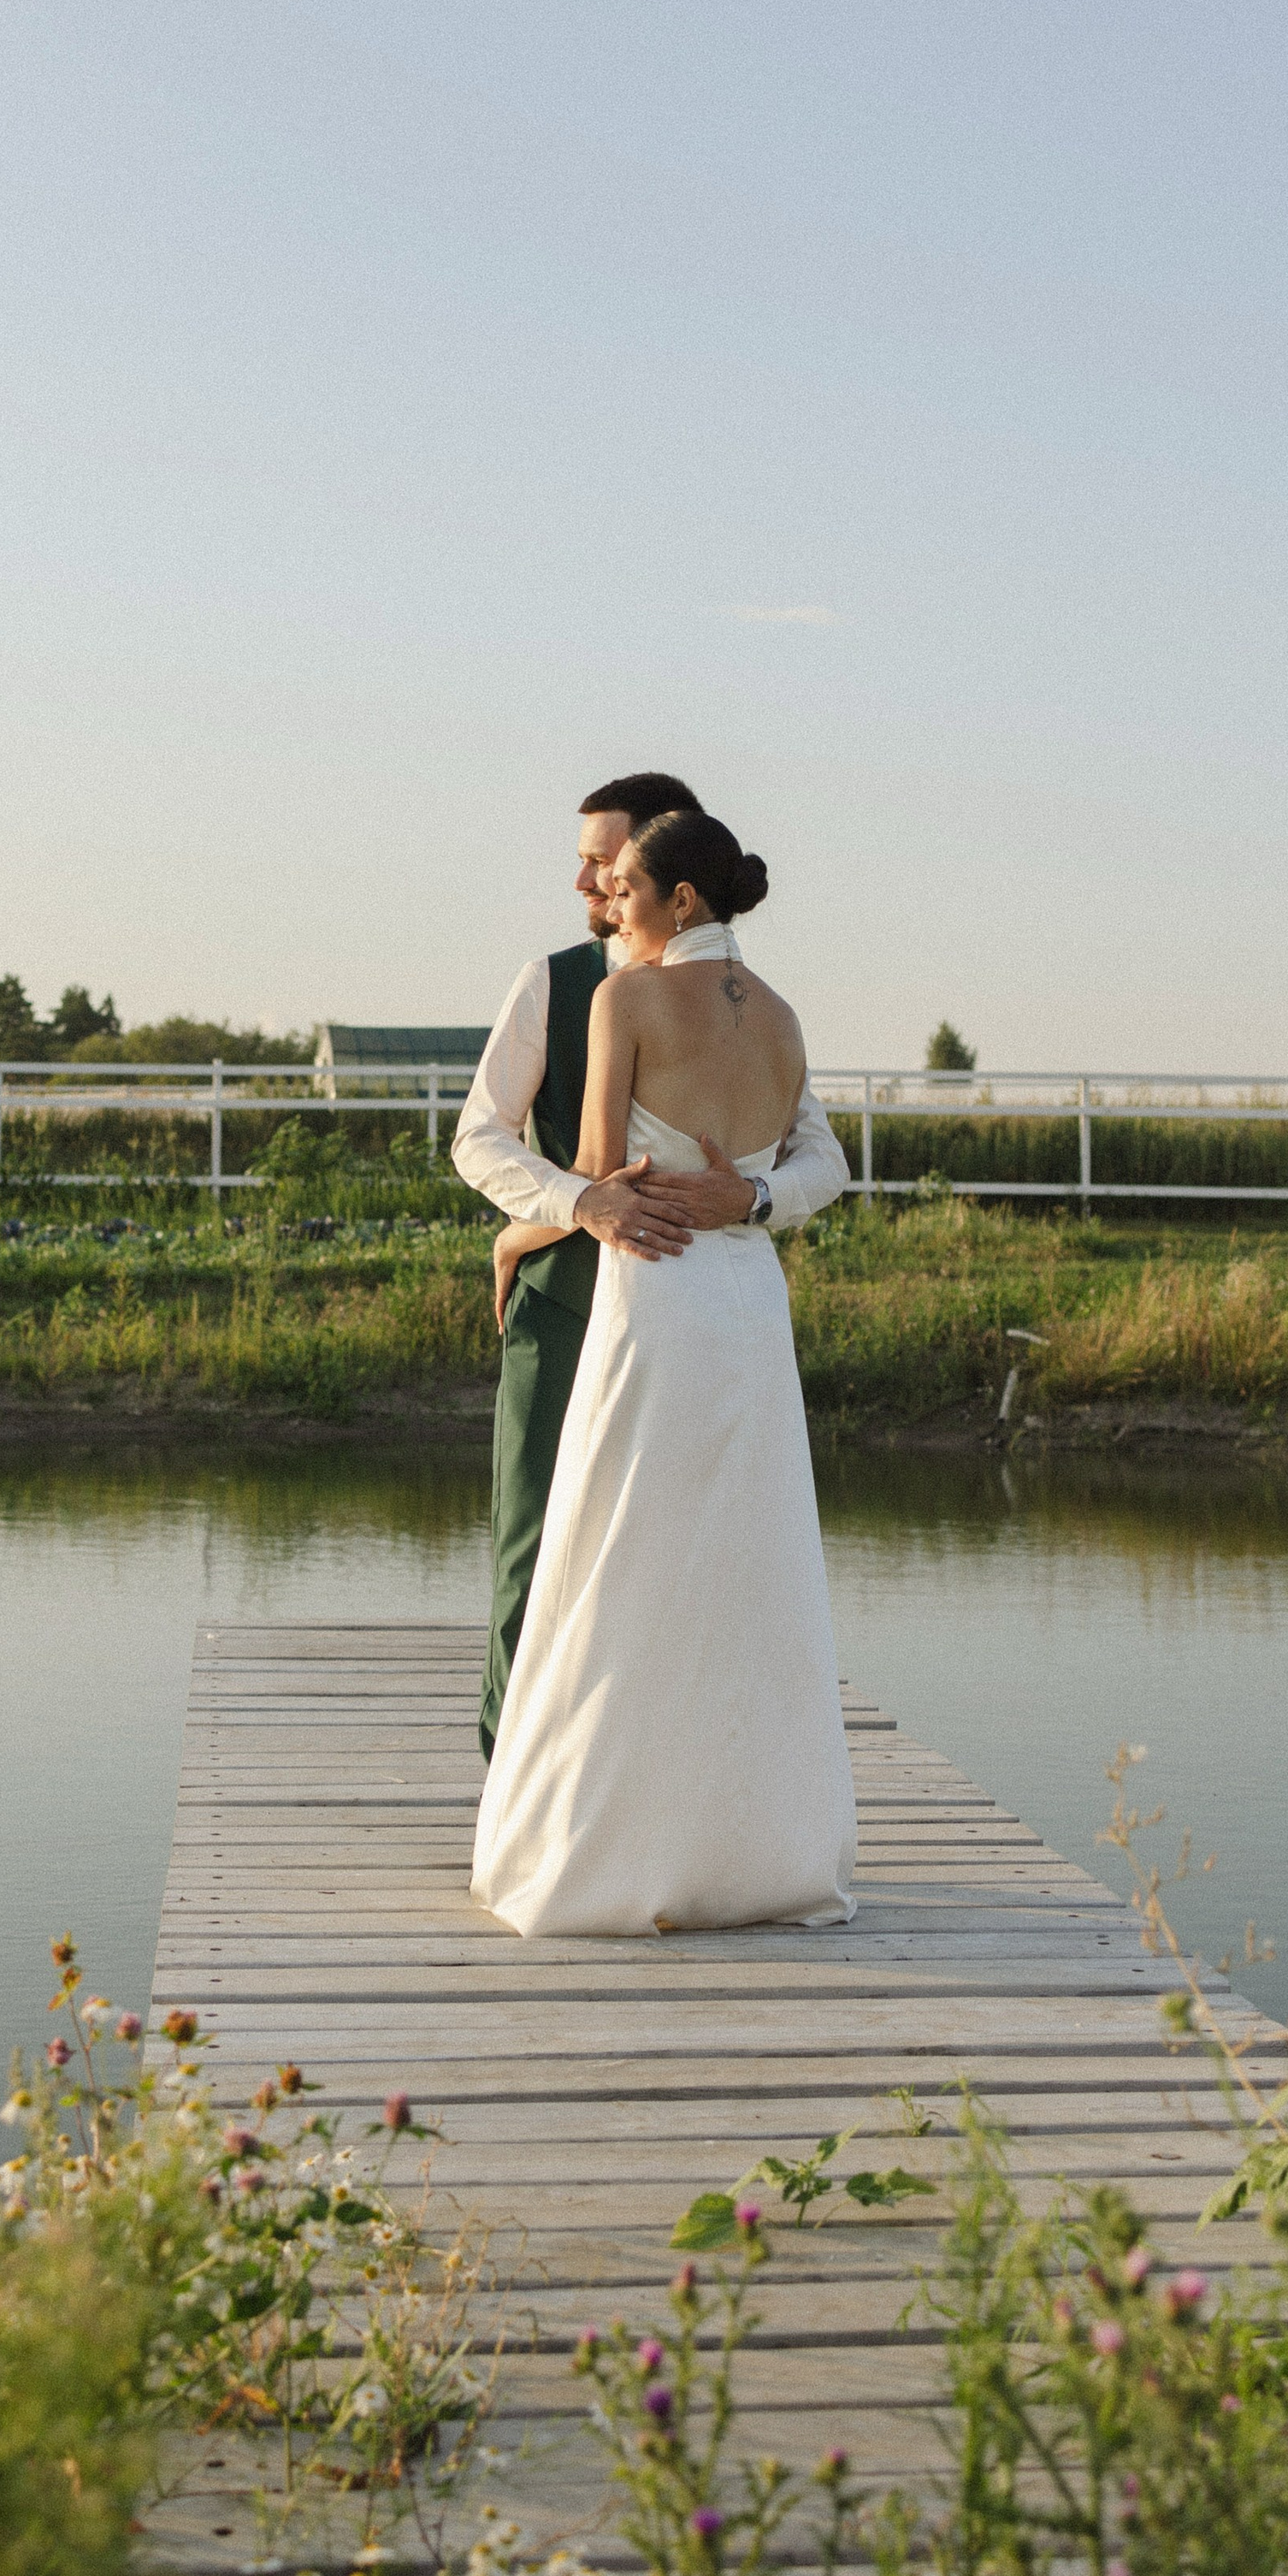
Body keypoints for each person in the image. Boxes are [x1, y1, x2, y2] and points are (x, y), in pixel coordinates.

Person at [470, 809, 859, 1935]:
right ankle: (753, 1855)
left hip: (655, 1290)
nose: (611, 907)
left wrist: (514, 1235)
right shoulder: (781, 1015)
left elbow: (599, 1174)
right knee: (747, 1565)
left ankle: (606, 1848)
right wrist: (753, 1195)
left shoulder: (623, 999)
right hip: (749, 1302)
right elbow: (816, 1164)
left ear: (680, 899)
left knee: (618, 1551)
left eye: (625, 888)